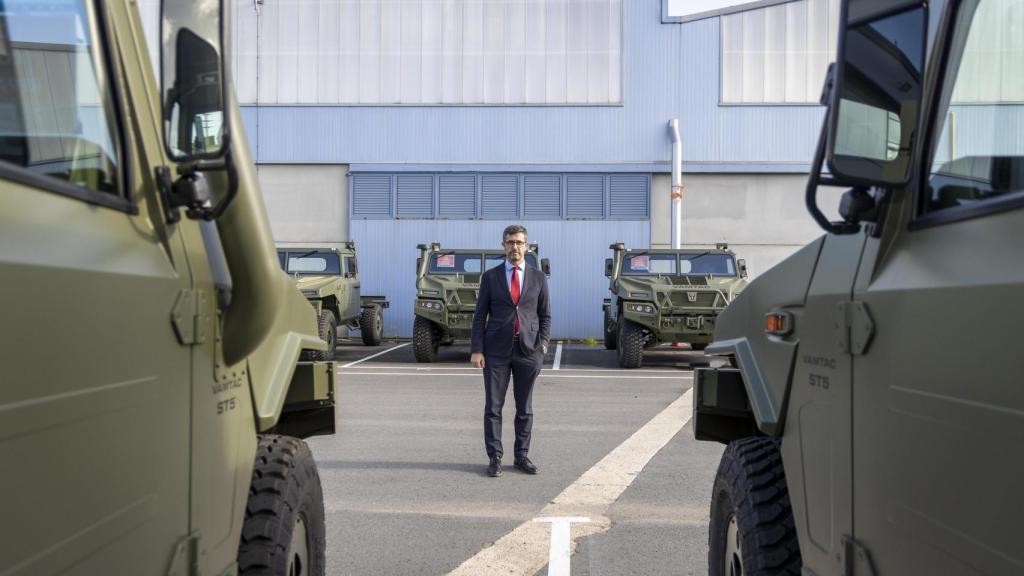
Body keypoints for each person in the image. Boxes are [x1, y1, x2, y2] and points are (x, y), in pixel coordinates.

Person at [470, 225, 551, 478]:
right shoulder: (491, 277)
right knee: (493, 407)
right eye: (510, 242)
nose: (514, 247)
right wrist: (477, 350)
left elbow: (545, 315)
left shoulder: (538, 278)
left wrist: (543, 346)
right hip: (495, 352)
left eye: (519, 242)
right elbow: (480, 315)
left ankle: (521, 456)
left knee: (524, 408)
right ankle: (495, 457)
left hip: (528, 351)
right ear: (503, 245)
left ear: (527, 246)